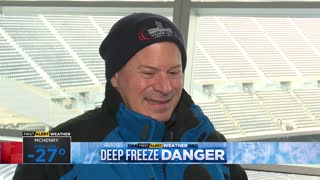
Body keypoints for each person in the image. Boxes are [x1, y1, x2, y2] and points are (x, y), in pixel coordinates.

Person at [14, 13, 247, 180]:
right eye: (148, 73)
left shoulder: (209, 139)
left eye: (174, 72)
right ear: (116, 77)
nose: (165, 87)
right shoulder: (51, 148)